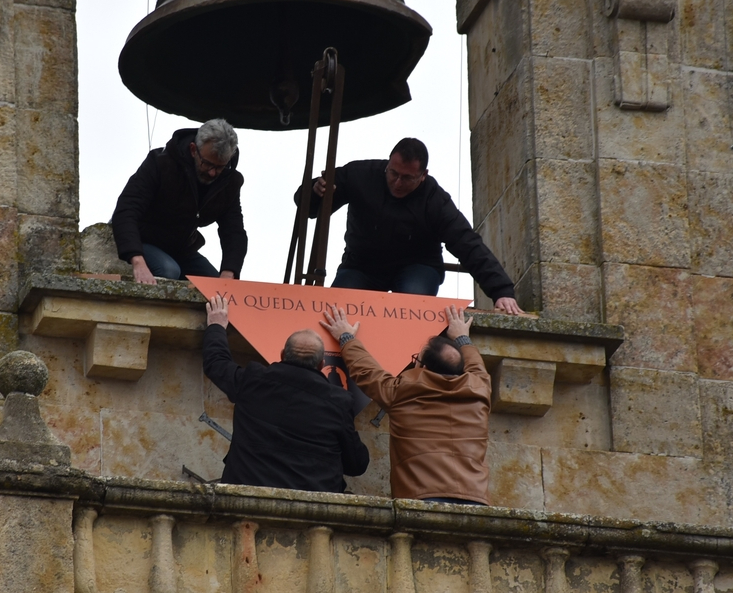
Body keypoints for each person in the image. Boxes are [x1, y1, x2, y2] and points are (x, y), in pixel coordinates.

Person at [297, 137, 523, 314]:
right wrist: (315, 191)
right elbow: (309, 207)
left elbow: (467, 243)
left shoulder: (435, 201)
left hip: (417, 267)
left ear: (423, 175)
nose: (397, 182)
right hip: (361, 266)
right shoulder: (359, 175)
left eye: (407, 178)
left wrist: (501, 291)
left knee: (413, 311)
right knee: (336, 311)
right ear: (387, 164)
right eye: (393, 173)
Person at [321, 304, 491, 504]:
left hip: (422, 498)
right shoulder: (480, 389)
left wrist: (346, 338)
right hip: (475, 500)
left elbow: (367, 372)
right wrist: (463, 338)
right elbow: (476, 367)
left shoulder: (401, 392)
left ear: (423, 367)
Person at [202, 294, 370, 492]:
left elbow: (216, 363)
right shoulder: (339, 401)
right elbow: (356, 465)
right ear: (322, 364)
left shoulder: (254, 380)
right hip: (311, 507)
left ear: (283, 354)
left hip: (247, 497)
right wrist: (347, 338)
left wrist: (216, 325)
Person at [112, 119, 247, 284]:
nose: (212, 173)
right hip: (142, 241)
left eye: (220, 167)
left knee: (215, 287)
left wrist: (229, 272)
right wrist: (137, 259)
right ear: (193, 150)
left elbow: (234, 231)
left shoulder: (229, 182)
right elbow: (127, 209)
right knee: (169, 270)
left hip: (182, 250)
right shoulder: (160, 162)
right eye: (207, 164)